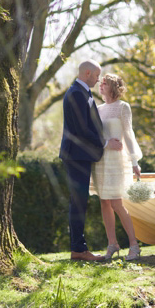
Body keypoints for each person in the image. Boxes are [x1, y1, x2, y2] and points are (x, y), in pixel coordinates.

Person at [58, 61, 122, 262]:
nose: (98, 80)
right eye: (96, 76)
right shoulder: (76, 93)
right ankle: (78, 249)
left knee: (80, 201)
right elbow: (83, 129)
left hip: (80, 155)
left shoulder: (82, 92)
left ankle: (79, 248)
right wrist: (105, 143)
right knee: (78, 202)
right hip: (76, 155)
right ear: (87, 73)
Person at [92, 73, 143, 261]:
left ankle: (134, 245)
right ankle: (112, 244)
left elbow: (128, 135)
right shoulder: (97, 109)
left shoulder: (123, 107)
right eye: (100, 83)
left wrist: (134, 162)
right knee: (104, 202)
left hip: (117, 161)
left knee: (116, 203)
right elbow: (95, 135)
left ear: (113, 87)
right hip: (100, 161)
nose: (100, 86)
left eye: (104, 83)